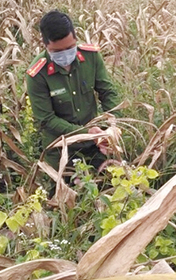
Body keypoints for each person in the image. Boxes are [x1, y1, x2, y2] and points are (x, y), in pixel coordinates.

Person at [26, 10, 120, 172]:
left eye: (70, 48)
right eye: (57, 51)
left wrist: (113, 126)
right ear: (45, 45)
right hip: (61, 148)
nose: (65, 55)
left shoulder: (90, 57)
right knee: (63, 194)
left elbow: (107, 92)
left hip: (95, 143)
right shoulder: (37, 74)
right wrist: (86, 132)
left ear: (75, 38)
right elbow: (46, 119)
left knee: (109, 184)